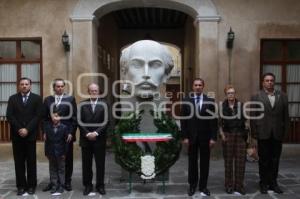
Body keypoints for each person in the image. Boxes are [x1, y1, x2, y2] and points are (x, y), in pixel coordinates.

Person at [250, 72, 289, 194]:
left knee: (275, 159)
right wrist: (254, 133)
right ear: (263, 82)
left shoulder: (282, 96)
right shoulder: (256, 96)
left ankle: (273, 183)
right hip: (263, 133)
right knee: (264, 160)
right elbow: (253, 116)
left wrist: (285, 133)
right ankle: (263, 183)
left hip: (277, 133)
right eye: (267, 80)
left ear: (274, 82)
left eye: (271, 80)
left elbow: (286, 116)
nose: (269, 82)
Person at [180, 78, 218, 196]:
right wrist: (185, 136)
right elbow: (183, 120)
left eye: (200, 85)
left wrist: (213, 138)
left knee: (205, 163)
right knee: (192, 162)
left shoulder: (210, 101)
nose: (198, 87)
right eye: (196, 85)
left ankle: (203, 186)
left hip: (205, 137)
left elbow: (213, 121)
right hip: (191, 137)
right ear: (193, 86)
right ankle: (192, 185)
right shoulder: (186, 101)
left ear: (203, 87)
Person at [6, 77, 42, 195]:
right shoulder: (12, 99)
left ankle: (31, 185)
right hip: (17, 136)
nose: (24, 86)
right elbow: (10, 116)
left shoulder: (37, 99)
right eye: (22, 84)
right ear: (19, 86)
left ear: (30, 85)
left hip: (30, 135)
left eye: (27, 84)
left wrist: (27, 129)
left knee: (31, 161)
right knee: (19, 162)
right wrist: (20, 129)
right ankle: (21, 186)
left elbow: (38, 116)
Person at [42, 78, 77, 191]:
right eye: (58, 86)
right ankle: (53, 182)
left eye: (62, 86)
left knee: (67, 158)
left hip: (66, 134)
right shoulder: (48, 100)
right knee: (53, 158)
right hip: (52, 134)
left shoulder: (70, 99)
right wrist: (45, 132)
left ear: (64, 87)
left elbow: (74, 118)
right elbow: (44, 118)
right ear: (54, 88)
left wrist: (71, 132)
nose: (60, 88)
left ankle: (67, 182)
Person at [78, 83, 109, 195]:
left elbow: (106, 121)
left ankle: (100, 185)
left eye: (95, 90)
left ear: (98, 91)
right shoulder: (82, 104)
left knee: (100, 164)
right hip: (86, 139)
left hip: (99, 139)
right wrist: (87, 134)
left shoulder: (105, 104)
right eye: (91, 91)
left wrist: (96, 133)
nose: (94, 92)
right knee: (86, 164)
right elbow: (79, 121)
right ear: (88, 92)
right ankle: (87, 185)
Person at [220, 85, 247, 195]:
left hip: (240, 135)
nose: (231, 95)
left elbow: (246, 121)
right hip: (228, 135)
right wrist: (222, 135)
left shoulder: (241, 105)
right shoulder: (222, 106)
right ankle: (229, 185)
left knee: (241, 162)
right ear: (226, 94)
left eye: (233, 93)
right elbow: (219, 123)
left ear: (235, 94)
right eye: (229, 93)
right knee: (228, 162)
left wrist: (247, 137)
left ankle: (239, 186)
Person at [44, 111, 70, 196]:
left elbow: (66, 142)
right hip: (51, 152)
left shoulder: (64, 127)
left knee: (61, 169)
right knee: (52, 169)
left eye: (57, 116)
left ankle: (61, 185)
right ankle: (54, 185)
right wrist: (46, 153)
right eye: (53, 117)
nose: (55, 118)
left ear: (60, 118)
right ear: (51, 118)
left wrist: (64, 153)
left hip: (60, 152)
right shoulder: (48, 127)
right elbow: (46, 142)